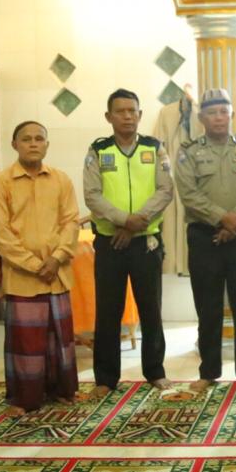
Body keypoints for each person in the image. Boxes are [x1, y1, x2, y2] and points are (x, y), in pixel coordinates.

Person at [0, 121, 81, 415]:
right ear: (14, 145)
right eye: (26, 139)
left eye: (39, 138)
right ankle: (25, 398)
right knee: (25, 343)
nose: (33, 143)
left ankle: (62, 390)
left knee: (59, 339)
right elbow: (0, 234)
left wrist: (58, 257)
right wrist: (35, 264)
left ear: (47, 145)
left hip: (57, 272)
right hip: (21, 276)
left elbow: (71, 221)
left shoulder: (61, 179)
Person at [83, 88, 174, 394]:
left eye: (132, 111)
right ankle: (106, 379)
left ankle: (155, 371)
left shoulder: (154, 148)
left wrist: (137, 223)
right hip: (110, 243)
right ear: (108, 117)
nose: (127, 116)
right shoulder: (98, 150)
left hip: (146, 241)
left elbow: (165, 190)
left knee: (151, 308)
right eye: (120, 111)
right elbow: (92, 195)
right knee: (108, 310)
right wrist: (124, 220)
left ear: (140, 115)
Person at [173, 88, 236, 391]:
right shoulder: (189, 151)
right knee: (208, 307)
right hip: (203, 238)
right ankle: (208, 372)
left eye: (224, 111)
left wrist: (235, 221)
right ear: (201, 118)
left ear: (232, 114)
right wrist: (221, 218)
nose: (219, 118)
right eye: (212, 112)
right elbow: (188, 192)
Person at [153, 86, 203, 275]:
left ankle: (191, 263)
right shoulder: (166, 112)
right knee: (173, 217)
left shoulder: (202, 112)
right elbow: (158, 144)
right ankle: (174, 264)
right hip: (172, 172)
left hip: (198, 175)